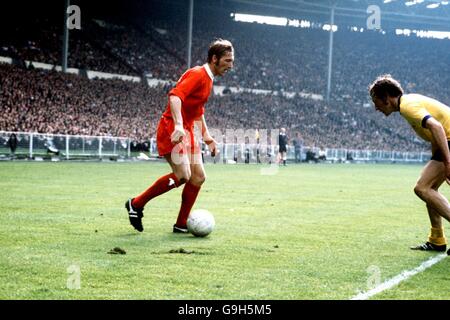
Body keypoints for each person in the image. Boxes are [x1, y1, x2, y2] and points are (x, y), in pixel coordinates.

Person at [125, 39, 234, 233]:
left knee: (198, 177)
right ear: (214, 58)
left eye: (232, 61)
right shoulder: (198, 74)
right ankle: (136, 204)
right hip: (172, 128)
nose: (231, 66)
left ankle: (181, 223)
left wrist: (208, 138)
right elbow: (175, 96)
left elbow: (197, 111)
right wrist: (177, 125)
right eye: (227, 60)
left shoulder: (208, 80)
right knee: (183, 175)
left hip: (188, 129)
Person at [369, 74, 450, 255]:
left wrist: (447, 163)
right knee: (429, 189)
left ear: (387, 98)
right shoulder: (408, 103)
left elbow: (437, 127)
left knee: (422, 188)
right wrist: (436, 161)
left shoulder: (407, 106)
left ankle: (437, 239)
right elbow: (436, 133)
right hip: (447, 141)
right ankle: (437, 240)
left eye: (377, 102)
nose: (376, 108)